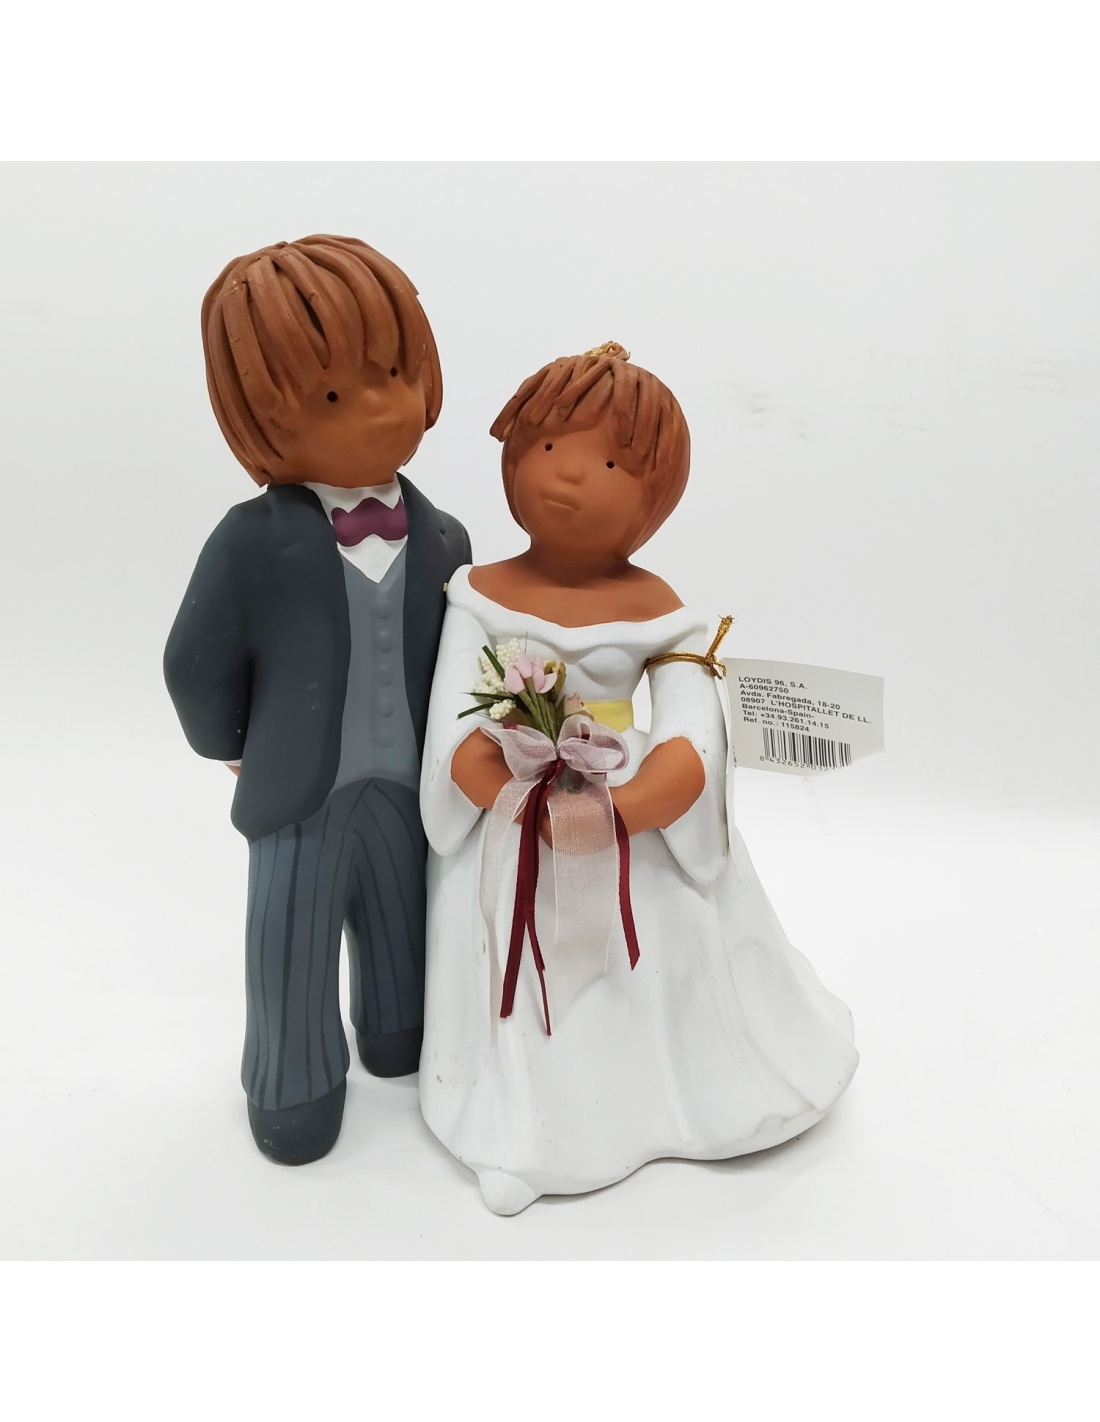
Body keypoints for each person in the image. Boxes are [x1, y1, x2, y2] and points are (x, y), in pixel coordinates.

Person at [419, 343, 857, 1214]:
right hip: (519, 817)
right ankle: (530, 1133)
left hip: (626, 815)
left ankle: (691, 1096)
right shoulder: (476, 595)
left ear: (655, 499)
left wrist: (639, 802)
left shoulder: (664, 612)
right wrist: (514, 798)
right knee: (521, 950)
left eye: (613, 465)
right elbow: (456, 725)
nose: (569, 476)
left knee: (666, 935)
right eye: (549, 447)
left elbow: (692, 727)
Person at [164, 235, 471, 1165]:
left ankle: (402, 1036)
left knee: (408, 921)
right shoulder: (251, 540)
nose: (379, 409)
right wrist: (233, 745)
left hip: (414, 787)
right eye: (333, 397)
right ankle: (293, 1090)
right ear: (259, 418)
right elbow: (192, 661)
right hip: (300, 793)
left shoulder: (446, 536)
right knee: (289, 941)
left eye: (393, 376)